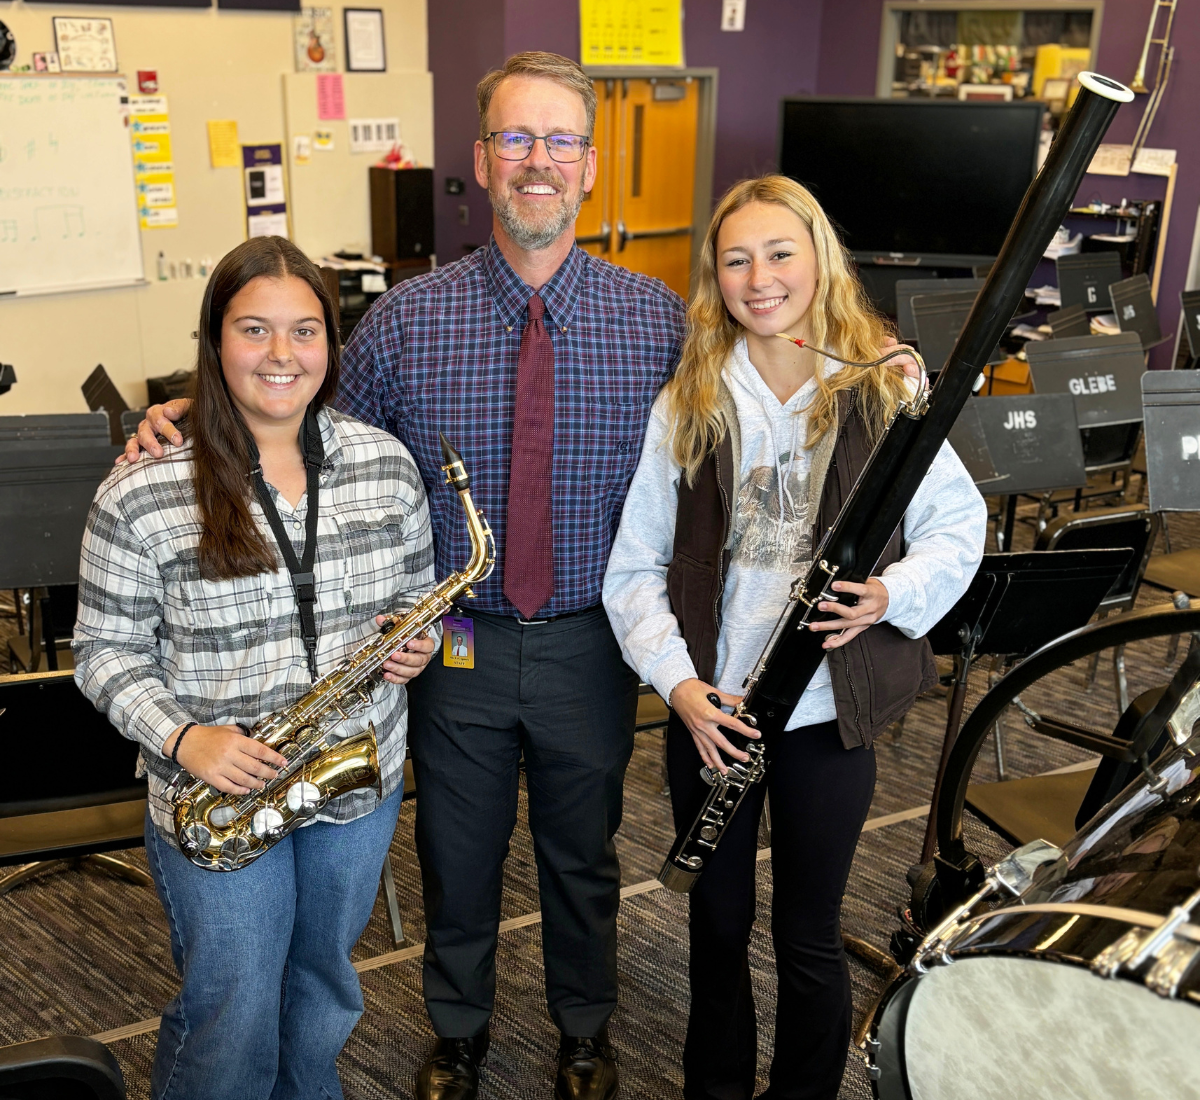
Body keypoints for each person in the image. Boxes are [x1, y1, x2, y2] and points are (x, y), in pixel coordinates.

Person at [124, 52, 684, 1100]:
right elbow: (296, 420)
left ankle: (584, 1028)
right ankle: (459, 1028)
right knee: (454, 852)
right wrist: (180, 415)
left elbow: (744, 414)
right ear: (480, 159)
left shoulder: (656, 319)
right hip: (446, 640)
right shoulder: (407, 321)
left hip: (589, 640)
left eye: (560, 140)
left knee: (583, 855)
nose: (537, 162)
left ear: (590, 166)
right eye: (516, 138)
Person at [602, 175, 987, 1100]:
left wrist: (888, 594)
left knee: (808, 930)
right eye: (736, 260)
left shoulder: (881, 389)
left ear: (819, 261)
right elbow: (632, 570)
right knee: (717, 926)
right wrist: (682, 690)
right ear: (715, 277)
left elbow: (960, 525)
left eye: (781, 253)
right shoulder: (690, 402)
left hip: (823, 714)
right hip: (716, 717)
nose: (760, 277)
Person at [74, 236, 437, 1100]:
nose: (282, 355)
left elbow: (437, 606)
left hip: (353, 779)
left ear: (331, 344)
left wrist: (430, 646)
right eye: (254, 330)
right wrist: (187, 738)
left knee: (322, 983)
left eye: (305, 331)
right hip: (218, 789)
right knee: (232, 1004)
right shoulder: (144, 487)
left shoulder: (385, 464)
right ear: (215, 340)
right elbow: (101, 651)